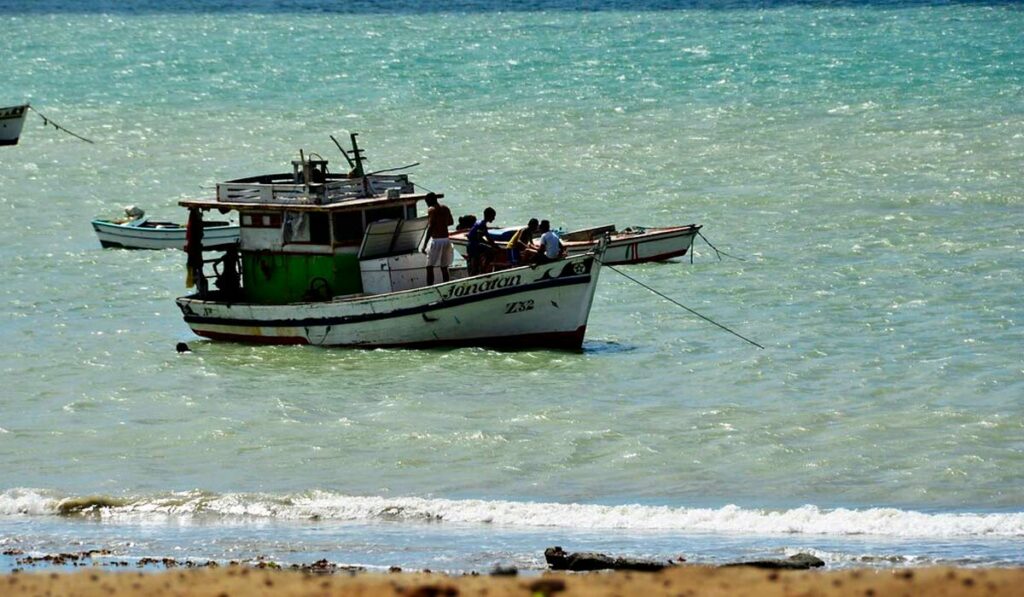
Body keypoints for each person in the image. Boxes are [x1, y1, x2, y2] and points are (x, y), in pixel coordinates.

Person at [424, 193, 454, 285]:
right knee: (444, 267)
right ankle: (446, 285)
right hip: (446, 239)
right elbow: (451, 222)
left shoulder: (431, 210)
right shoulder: (445, 208)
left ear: (429, 201)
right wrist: (442, 223)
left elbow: (431, 227)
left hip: (436, 240)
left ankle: (429, 287)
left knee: (429, 267)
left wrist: (425, 244)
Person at [466, 207, 497, 275]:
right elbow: (480, 238)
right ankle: (483, 270)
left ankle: (481, 270)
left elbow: (488, 237)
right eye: (493, 216)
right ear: (489, 216)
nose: (494, 218)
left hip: (471, 244)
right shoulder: (482, 225)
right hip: (474, 246)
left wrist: (493, 244)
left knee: (475, 265)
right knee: (491, 252)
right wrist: (494, 246)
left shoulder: (479, 222)